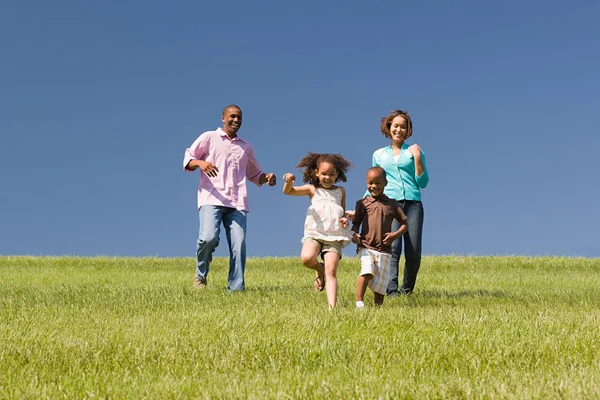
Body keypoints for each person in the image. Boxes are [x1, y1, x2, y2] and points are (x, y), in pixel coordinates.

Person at [183, 104, 276, 292]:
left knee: (239, 244)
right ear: (223, 118)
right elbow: (188, 159)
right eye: (232, 116)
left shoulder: (246, 147)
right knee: (208, 239)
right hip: (211, 198)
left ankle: (236, 288)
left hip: (237, 202)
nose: (236, 120)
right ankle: (201, 276)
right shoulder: (209, 137)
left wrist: (267, 178)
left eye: (239, 117)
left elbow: (254, 174)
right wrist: (201, 163)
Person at [282, 152, 353, 310]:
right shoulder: (312, 188)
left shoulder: (341, 191)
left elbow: (341, 210)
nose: (327, 177)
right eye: (324, 174)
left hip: (334, 234)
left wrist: (344, 219)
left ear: (337, 175)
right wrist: (289, 181)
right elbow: (289, 191)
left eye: (332, 174)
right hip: (315, 232)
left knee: (331, 271)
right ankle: (318, 269)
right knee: (307, 258)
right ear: (316, 172)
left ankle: (332, 309)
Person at [373, 109, 429, 296]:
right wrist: (363, 205)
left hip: (413, 204)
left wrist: (418, 157)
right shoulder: (379, 155)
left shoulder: (414, 152)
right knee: (393, 247)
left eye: (403, 126)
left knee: (413, 251)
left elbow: (423, 182)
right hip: (390, 204)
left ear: (408, 130)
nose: (399, 129)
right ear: (389, 128)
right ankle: (391, 291)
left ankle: (407, 290)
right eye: (395, 125)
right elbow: (374, 183)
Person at [351, 167, 407, 308]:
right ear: (366, 183)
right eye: (370, 183)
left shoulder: (392, 204)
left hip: (384, 249)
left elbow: (405, 224)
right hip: (366, 246)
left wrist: (394, 235)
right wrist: (355, 234)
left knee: (381, 282)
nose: (373, 186)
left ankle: (378, 308)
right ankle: (359, 302)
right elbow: (355, 223)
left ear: (385, 183)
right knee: (367, 270)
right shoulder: (362, 203)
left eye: (377, 182)